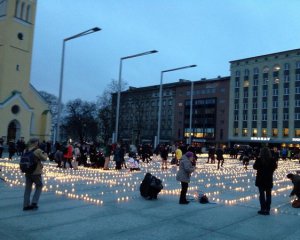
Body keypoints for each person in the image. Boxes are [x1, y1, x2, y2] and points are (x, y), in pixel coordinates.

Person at [23, 138, 48, 211]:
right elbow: (45, 159)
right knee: (39, 186)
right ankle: (34, 202)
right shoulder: (37, 150)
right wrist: (45, 154)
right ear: (36, 143)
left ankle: (25, 205)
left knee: (28, 188)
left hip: (27, 171)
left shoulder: (26, 150)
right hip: (36, 172)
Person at [253, 146, 277, 215]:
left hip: (260, 179)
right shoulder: (272, 160)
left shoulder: (259, 159)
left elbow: (255, 167)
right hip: (268, 179)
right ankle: (267, 209)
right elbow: (274, 167)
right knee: (268, 195)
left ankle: (263, 209)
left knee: (262, 195)